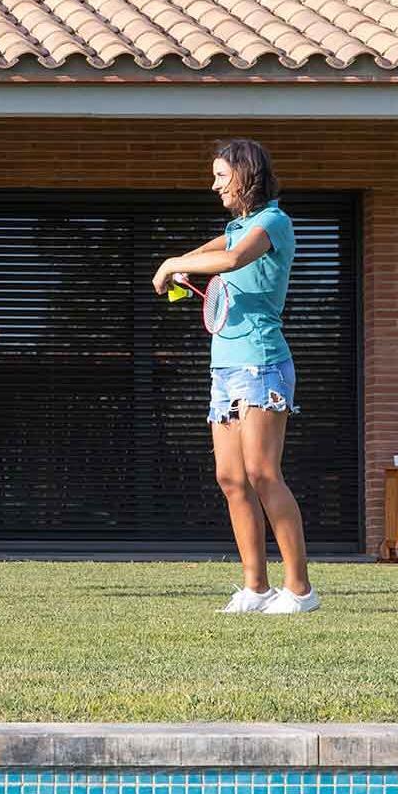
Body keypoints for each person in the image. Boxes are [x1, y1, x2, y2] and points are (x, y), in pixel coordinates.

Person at [151, 139, 315, 614]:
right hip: (224, 367)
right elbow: (214, 248)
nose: (215, 184)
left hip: (261, 362)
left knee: (263, 473)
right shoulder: (238, 225)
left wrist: (172, 264)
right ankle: (256, 589)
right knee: (230, 477)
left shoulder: (272, 223)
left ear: (247, 175)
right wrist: (181, 266)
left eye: (222, 176)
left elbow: (232, 259)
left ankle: (300, 591)